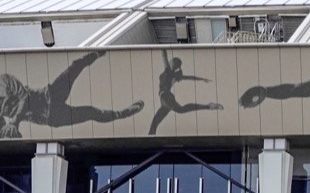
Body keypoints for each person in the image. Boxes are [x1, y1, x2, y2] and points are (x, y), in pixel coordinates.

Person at [0, 50, 144, 137]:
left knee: (74, 68)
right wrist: (12, 132)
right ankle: (123, 114)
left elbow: (25, 97)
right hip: (50, 117)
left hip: (49, 95)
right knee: (90, 112)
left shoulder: (5, 81)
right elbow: (7, 135)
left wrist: (14, 121)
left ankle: (95, 53)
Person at [148, 50, 223, 135]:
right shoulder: (175, 75)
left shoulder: (168, 70)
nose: (169, 61)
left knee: (180, 110)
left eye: (171, 61)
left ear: (172, 64)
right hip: (165, 99)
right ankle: (151, 134)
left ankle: (209, 106)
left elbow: (164, 56)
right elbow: (190, 77)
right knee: (157, 119)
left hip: (166, 97)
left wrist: (162, 48)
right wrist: (202, 79)